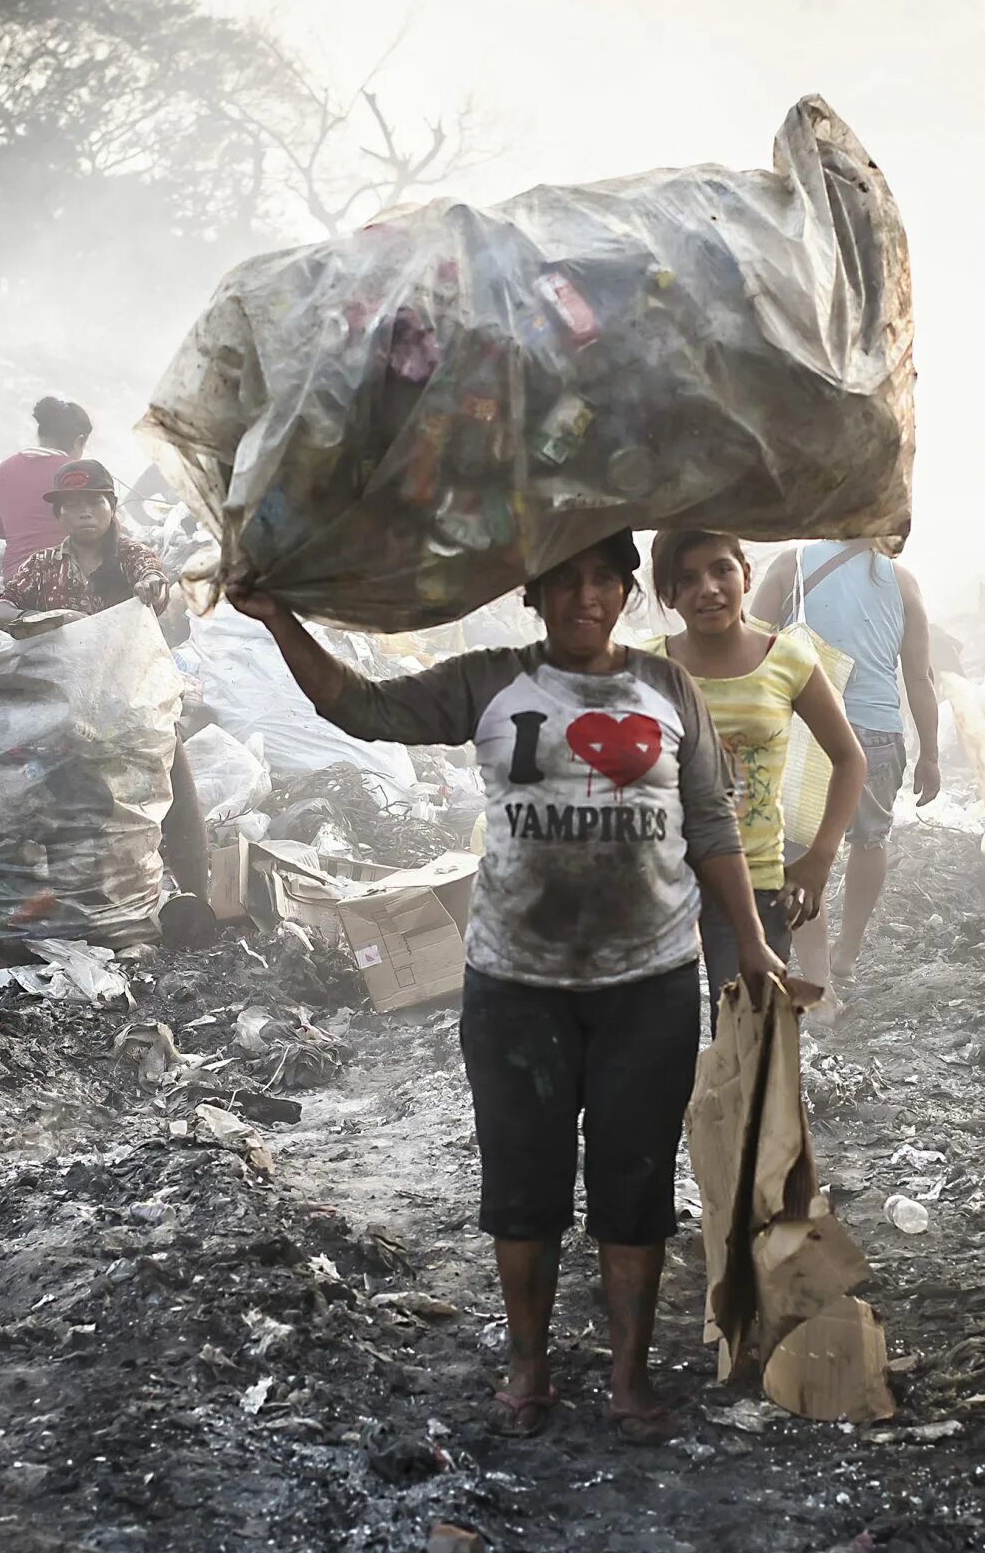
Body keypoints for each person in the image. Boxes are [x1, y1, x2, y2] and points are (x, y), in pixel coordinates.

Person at [231, 534, 785, 1444]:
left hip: (647, 983)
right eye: (564, 580)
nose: (584, 597)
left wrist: (754, 945)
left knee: (635, 1180)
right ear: (533, 592)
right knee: (522, 1182)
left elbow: (712, 821)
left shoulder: (668, 688)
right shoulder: (491, 680)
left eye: (603, 579)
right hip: (515, 984)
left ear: (625, 590)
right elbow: (359, 707)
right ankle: (528, 1365)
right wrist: (279, 617)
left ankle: (627, 1373)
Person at [647, 528, 867, 1024]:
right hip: (661, 885)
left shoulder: (788, 660)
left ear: (745, 575)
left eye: (721, 569)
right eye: (686, 578)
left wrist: (819, 859)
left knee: (751, 1034)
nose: (708, 588)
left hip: (757, 885)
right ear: (668, 595)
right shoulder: (646, 667)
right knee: (661, 1041)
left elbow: (850, 758)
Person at [0, 460, 202, 901]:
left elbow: (153, 578)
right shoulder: (43, 566)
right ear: (58, 515)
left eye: (93, 503)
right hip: (67, 704)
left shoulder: (129, 556)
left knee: (173, 781)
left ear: (111, 507)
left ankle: (198, 891)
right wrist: (38, 619)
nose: (83, 512)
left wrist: (151, 586)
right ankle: (72, 894)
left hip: (132, 696)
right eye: (71, 505)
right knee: (62, 795)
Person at [750, 538, 941, 1001]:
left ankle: (820, 984)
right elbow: (919, 677)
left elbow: (748, 646)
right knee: (870, 840)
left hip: (808, 732)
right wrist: (930, 754)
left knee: (798, 851)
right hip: (879, 734)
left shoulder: (790, 564)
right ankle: (848, 954)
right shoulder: (903, 580)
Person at [0, 396, 93, 579]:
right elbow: (103, 528)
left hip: (16, 582)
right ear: (78, 441)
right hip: (68, 581)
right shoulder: (78, 473)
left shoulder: (3, 470)